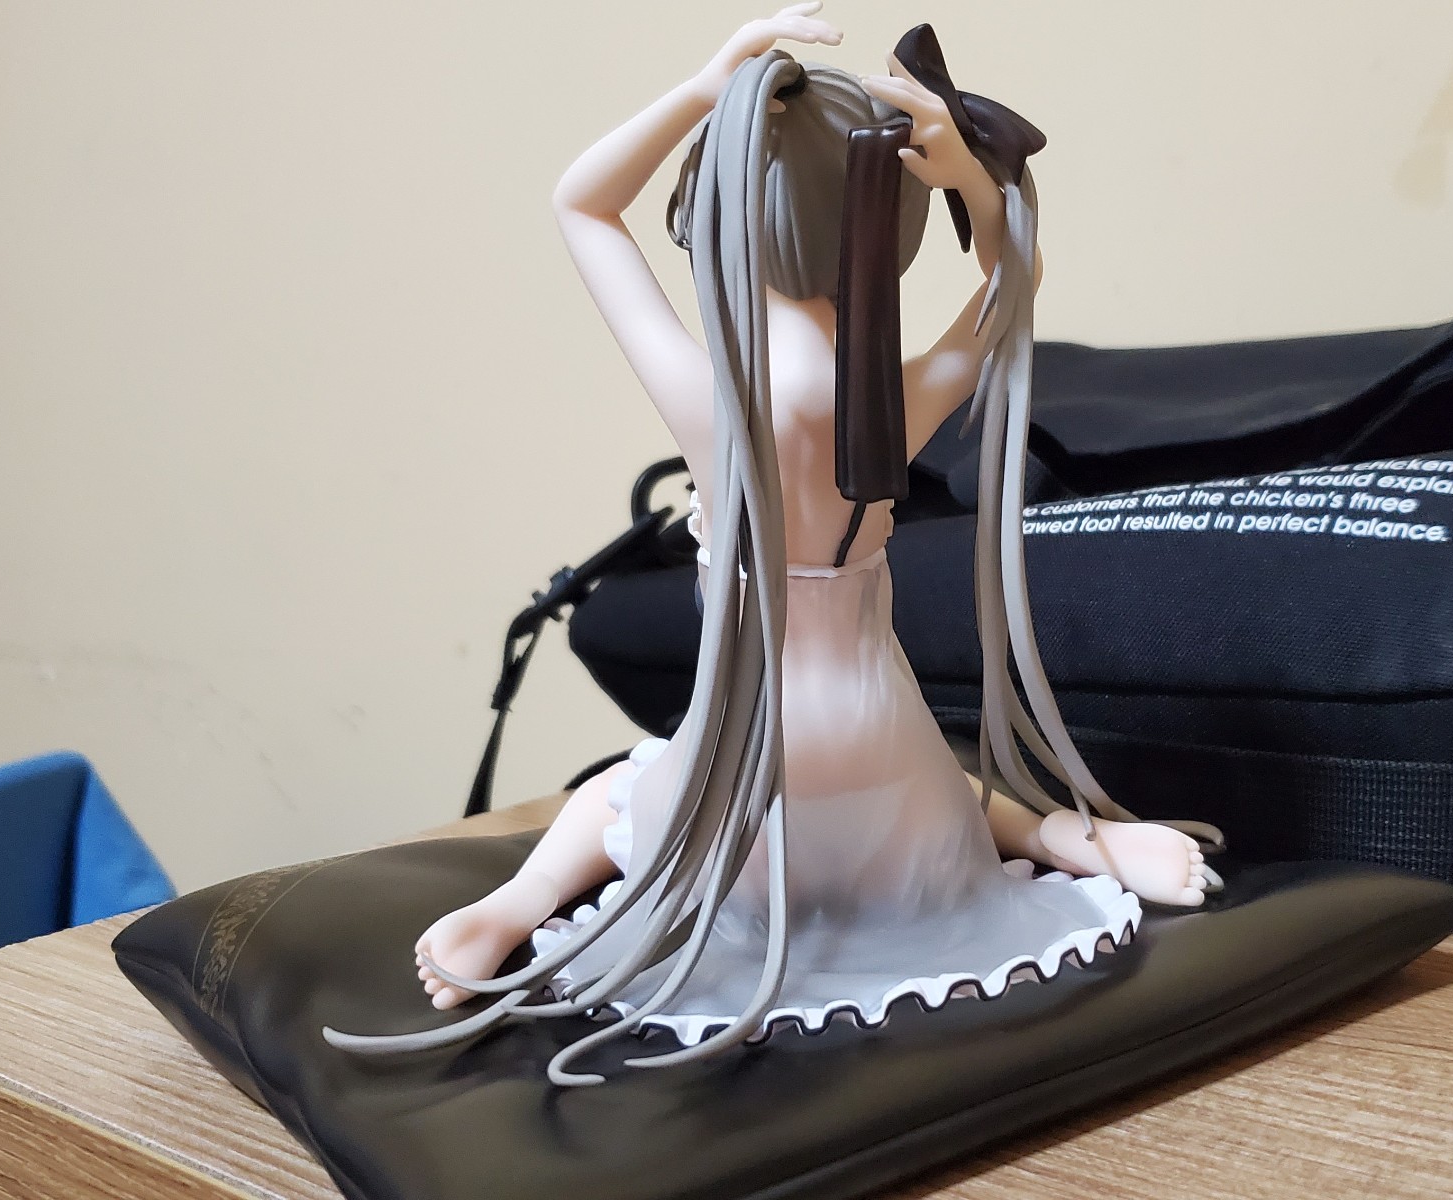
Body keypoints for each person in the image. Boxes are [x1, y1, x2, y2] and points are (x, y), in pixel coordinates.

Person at [328, 5, 1215, 1086]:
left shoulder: (711, 401)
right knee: (950, 793)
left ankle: (516, 902)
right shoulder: (897, 397)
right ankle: (1081, 841)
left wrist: (706, 88)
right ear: (892, 225)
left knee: (624, 789)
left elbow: (581, 204)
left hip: (751, 777)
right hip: (879, 751)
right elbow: (1008, 280)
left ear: (716, 219)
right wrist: (976, 188)